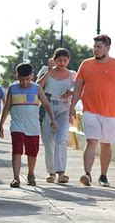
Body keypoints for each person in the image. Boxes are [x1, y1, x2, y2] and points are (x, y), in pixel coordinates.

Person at [69, 34, 115, 187]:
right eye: (94, 47)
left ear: (107, 48)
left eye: (99, 47)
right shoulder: (86, 64)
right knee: (91, 141)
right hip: (90, 111)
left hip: (110, 113)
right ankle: (87, 174)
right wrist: (72, 108)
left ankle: (103, 176)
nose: (95, 49)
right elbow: (77, 89)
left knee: (106, 143)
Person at [0, 63, 58, 188]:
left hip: (33, 126)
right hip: (17, 125)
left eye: (27, 79)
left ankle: (31, 174)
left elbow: (47, 105)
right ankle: (16, 178)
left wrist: (53, 120)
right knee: (17, 151)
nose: (24, 82)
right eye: (21, 79)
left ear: (32, 76)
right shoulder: (12, 88)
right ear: (17, 76)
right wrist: (1, 125)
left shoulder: (37, 88)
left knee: (32, 152)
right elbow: (7, 107)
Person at [37, 48, 76, 184]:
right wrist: (49, 71)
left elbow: (78, 90)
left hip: (64, 108)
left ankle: (61, 173)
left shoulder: (72, 74)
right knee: (48, 140)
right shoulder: (45, 70)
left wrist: (70, 94)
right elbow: (38, 87)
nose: (62, 63)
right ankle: (51, 172)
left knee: (61, 139)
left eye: (65, 60)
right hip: (47, 108)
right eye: (59, 60)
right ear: (54, 60)